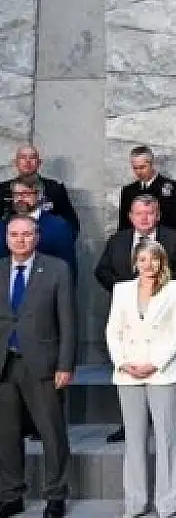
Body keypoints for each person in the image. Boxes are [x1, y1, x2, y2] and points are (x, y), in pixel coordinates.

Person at [95, 194, 176, 443]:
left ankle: (170, 422)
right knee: (129, 378)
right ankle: (129, 425)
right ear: (130, 217)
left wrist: (156, 288)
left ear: (158, 215)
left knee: (167, 367)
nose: (145, 218)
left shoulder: (174, 239)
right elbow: (102, 270)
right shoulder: (117, 241)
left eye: (150, 213)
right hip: (130, 317)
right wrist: (127, 291)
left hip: (162, 317)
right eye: (139, 213)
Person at [106, 239, 176, 518]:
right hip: (128, 371)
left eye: (154, 259)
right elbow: (113, 330)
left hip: (163, 371)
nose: (148, 264)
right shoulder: (121, 290)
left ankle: (166, 503)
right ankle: (135, 501)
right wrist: (123, 362)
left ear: (162, 261)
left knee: (166, 439)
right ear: (135, 263)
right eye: (142, 259)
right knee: (134, 440)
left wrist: (155, 363)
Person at [0, 215, 75, 518]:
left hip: (44, 363)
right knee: (6, 434)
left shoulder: (57, 269)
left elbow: (68, 321)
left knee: (52, 433)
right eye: (14, 234)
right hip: (4, 364)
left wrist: (65, 364)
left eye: (27, 234)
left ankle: (55, 495)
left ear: (37, 237)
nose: (20, 240)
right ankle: (10, 494)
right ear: (7, 238)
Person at [1, 181, 77, 279]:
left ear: (39, 196)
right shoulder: (3, 225)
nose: (20, 199)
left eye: (26, 194)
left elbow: (68, 267)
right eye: (16, 194)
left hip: (46, 285)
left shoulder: (59, 226)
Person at [0, 145, 78, 235]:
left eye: (32, 157)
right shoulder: (2, 189)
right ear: (15, 162)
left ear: (39, 162)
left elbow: (72, 224)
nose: (28, 161)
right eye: (23, 157)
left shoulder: (54, 188)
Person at [117, 145, 176, 233]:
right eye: (135, 168)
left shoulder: (174, 188)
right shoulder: (128, 191)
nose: (139, 172)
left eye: (142, 167)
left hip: (165, 239)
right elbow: (124, 226)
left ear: (152, 164)